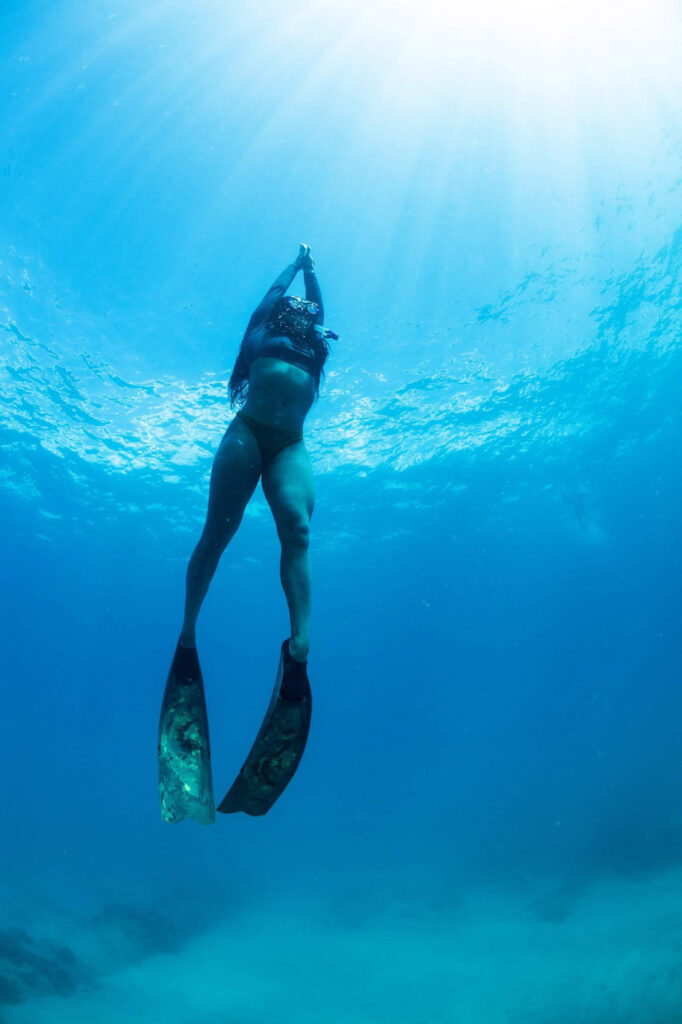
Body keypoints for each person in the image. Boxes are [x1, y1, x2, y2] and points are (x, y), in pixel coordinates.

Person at [158, 244, 334, 823]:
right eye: (297, 309)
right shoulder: (264, 330)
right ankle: (188, 634)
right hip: (249, 431)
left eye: (309, 313)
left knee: (300, 532)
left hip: (290, 444)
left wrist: (312, 272)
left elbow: (318, 305)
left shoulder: (313, 341)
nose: (303, 316)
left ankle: (301, 645)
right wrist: (292, 265)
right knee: (218, 533)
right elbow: (268, 301)